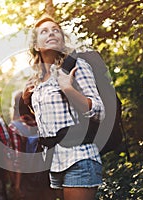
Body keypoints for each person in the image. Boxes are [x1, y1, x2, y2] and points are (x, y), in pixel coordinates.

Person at [21, 15, 105, 200]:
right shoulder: (37, 79)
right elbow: (52, 120)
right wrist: (28, 102)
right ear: (36, 45)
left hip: (80, 157)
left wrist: (68, 89)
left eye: (55, 30)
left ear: (62, 39)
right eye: (44, 31)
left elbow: (99, 111)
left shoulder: (76, 67)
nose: (51, 33)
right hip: (54, 162)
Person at [8, 91, 59, 200]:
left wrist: (16, 187)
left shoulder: (14, 127)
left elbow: (18, 160)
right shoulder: (41, 123)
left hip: (27, 181)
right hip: (47, 177)